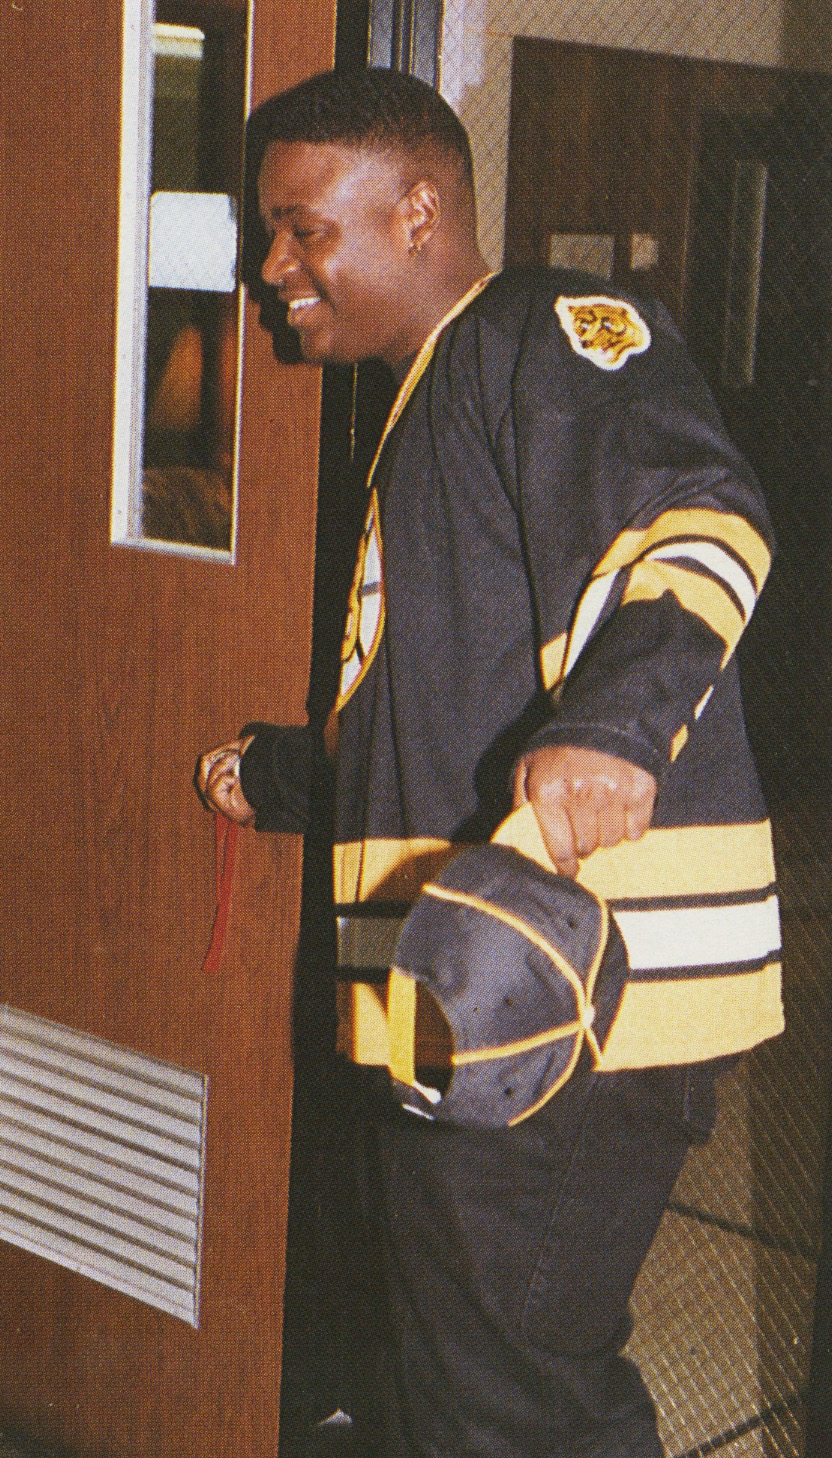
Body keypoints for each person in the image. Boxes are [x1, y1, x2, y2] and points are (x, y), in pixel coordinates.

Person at [197, 68, 783, 1458]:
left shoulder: (543, 332)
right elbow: (437, 719)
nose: (272, 268)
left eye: (302, 229)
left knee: (514, 1396)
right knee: (455, 1366)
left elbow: (701, 517)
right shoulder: (436, 394)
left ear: (417, 212)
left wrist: (617, 724)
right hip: (476, 980)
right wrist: (283, 778)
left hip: (575, 983)